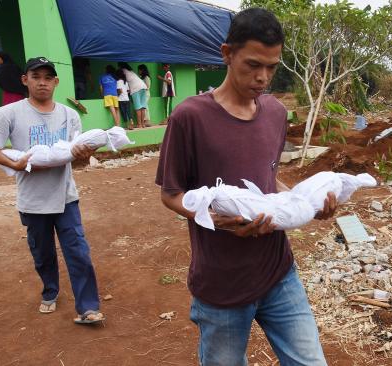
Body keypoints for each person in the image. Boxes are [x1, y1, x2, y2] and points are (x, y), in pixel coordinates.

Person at [156, 8, 335, 366]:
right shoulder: (190, 117)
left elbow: (269, 180)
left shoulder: (275, 113)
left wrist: (304, 203)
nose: (262, 77)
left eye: (271, 67)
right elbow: (171, 194)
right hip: (221, 285)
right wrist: (212, 217)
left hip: (279, 274)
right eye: (253, 65)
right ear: (227, 54)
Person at [0, 57, 105, 324]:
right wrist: (15, 164)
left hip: (66, 197)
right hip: (32, 200)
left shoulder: (69, 115)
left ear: (56, 81)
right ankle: (50, 291)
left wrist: (84, 154)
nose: (42, 83)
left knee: (78, 252)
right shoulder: (8, 113)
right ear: (25, 80)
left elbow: (75, 160)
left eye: (48, 77)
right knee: (42, 253)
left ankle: (88, 308)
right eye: (36, 77)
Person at [119, 62, 147, 128]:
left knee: (138, 107)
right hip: (143, 86)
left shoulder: (123, 71)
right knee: (143, 106)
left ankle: (139, 124)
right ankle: (143, 124)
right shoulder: (131, 71)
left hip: (135, 88)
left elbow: (122, 81)